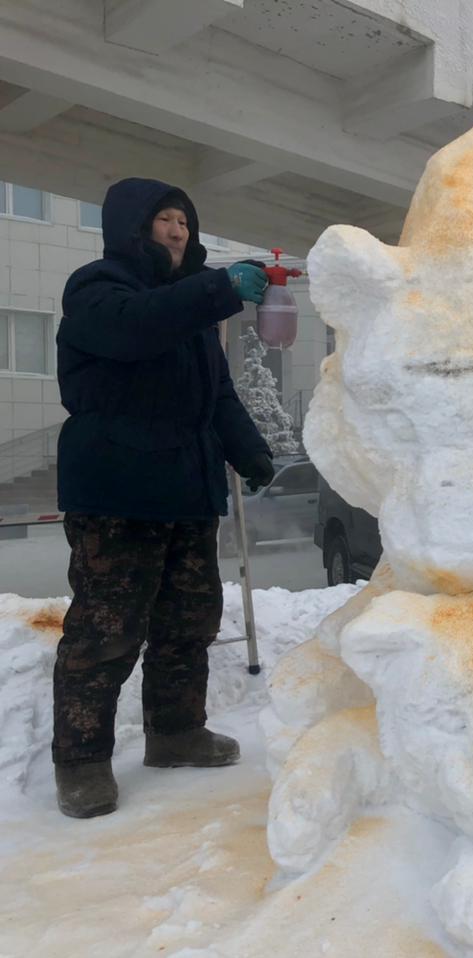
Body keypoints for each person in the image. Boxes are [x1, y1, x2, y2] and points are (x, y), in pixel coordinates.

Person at [51, 178, 277, 818]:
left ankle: (176, 732)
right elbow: (133, 330)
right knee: (107, 628)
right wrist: (216, 291)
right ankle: (81, 760)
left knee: (190, 620)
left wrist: (248, 449)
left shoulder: (191, 308)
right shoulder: (97, 288)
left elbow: (217, 393)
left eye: (184, 220)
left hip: (187, 485)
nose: (178, 230)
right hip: (116, 487)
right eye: (165, 219)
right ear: (132, 228)